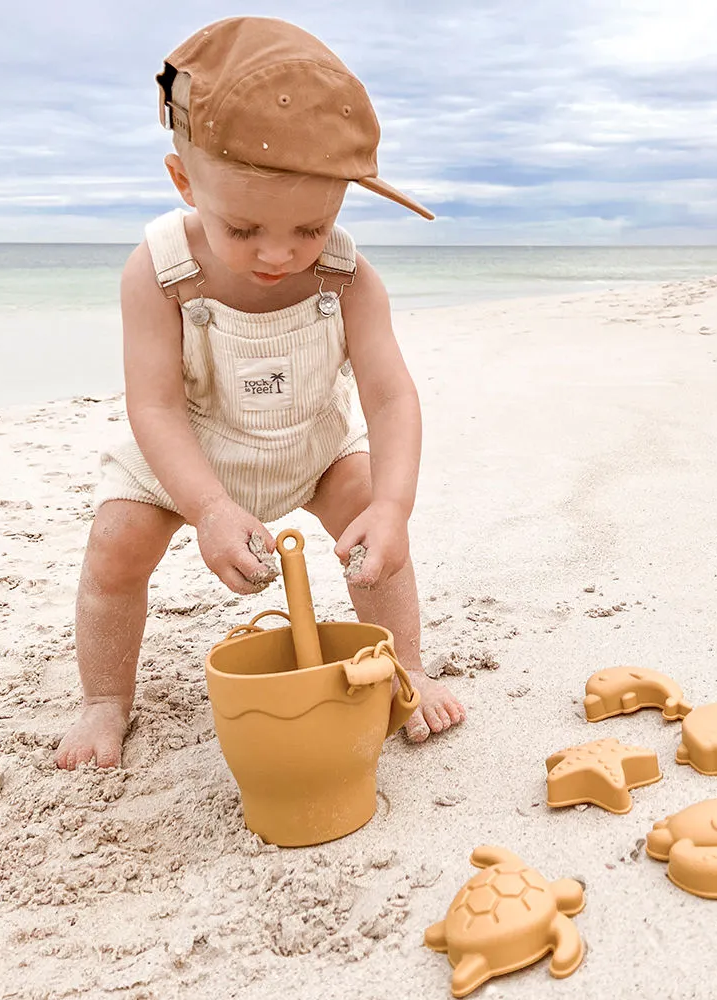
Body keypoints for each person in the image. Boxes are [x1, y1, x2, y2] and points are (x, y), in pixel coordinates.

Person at [55, 16, 465, 768]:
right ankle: (104, 701)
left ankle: (406, 664)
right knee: (116, 545)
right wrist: (207, 507)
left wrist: (393, 505)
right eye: (243, 228)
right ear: (185, 180)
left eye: (311, 227)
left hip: (309, 445)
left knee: (372, 516)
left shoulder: (348, 279)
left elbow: (391, 397)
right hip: (185, 452)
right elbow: (153, 406)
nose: (277, 254)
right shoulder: (160, 274)